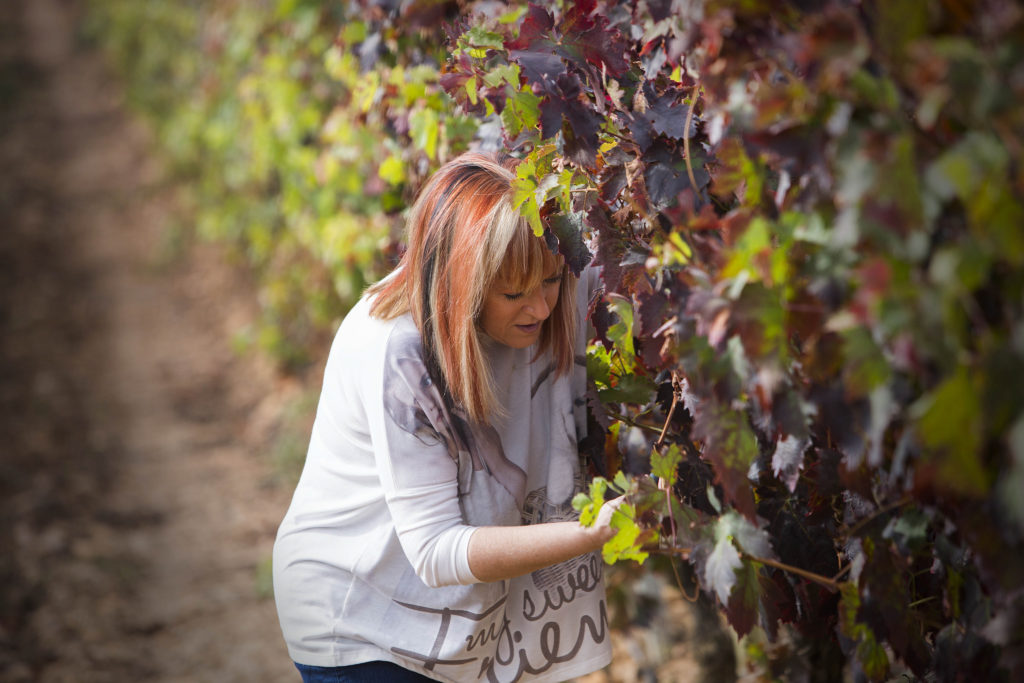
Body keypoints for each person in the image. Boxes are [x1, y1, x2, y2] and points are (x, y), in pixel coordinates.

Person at [272, 152, 620, 683]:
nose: (541, 309)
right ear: (464, 281)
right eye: (513, 294)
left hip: (455, 624)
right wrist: (589, 534)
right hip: (362, 617)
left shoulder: (538, 285)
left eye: (549, 282)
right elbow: (436, 551)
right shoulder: (398, 351)